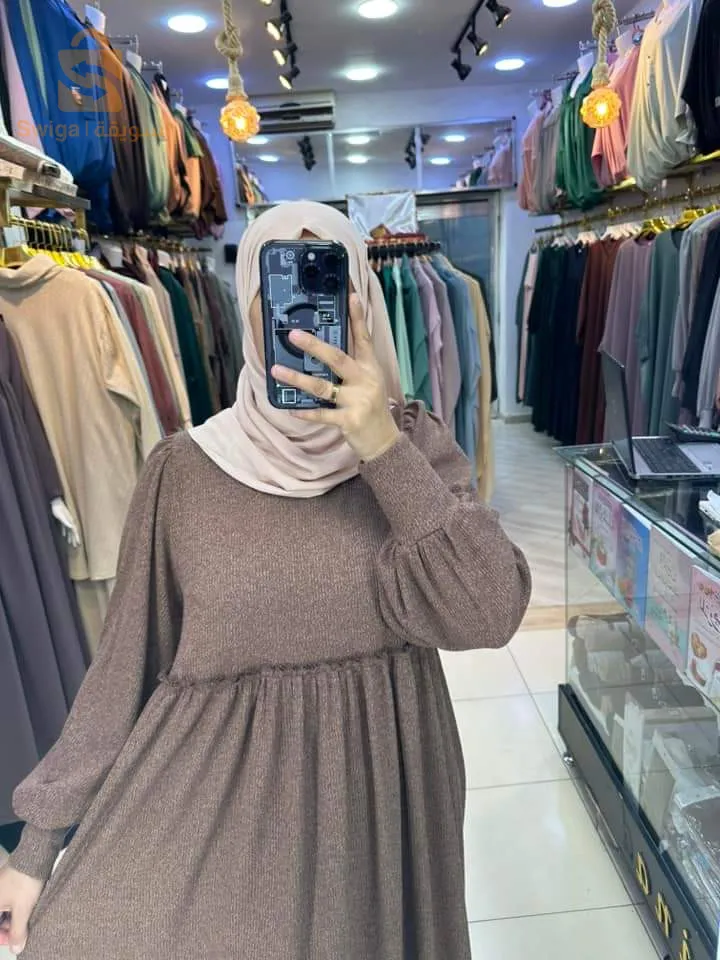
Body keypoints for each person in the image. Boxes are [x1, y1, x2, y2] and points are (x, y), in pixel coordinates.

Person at [0, 201, 531, 959]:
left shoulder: (412, 446)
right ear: (249, 306)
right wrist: (35, 850)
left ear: (362, 302)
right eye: (280, 284)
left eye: (328, 281)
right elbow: (121, 673)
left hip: (381, 807)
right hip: (224, 808)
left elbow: (489, 612)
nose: (304, 312)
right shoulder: (184, 473)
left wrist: (381, 447)